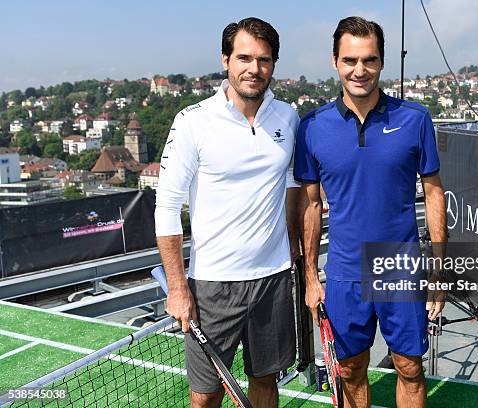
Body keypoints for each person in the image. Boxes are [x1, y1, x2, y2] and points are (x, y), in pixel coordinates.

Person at [294, 16, 447, 408]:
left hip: (401, 268)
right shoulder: (311, 127)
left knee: (410, 367)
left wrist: (440, 271)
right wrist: (311, 278)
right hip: (345, 273)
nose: (359, 70)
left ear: (381, 62)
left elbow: (433, 194)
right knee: (350, 371)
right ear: (335, 61)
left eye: (369, 60)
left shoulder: (415, 119)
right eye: (350, 60)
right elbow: (310, 205)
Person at [155, 17, 300, 408]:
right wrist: (178, 288)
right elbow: (167, 206)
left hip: (272, 280)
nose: (254, 69)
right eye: (244, 58)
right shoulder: (192, 121)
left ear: (273, 65)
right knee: (205, 396)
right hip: (212, 285)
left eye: (265, 60)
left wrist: (296, 256)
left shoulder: (288, 117)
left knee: (266, 383)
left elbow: (292, 188)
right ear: (225, 60)